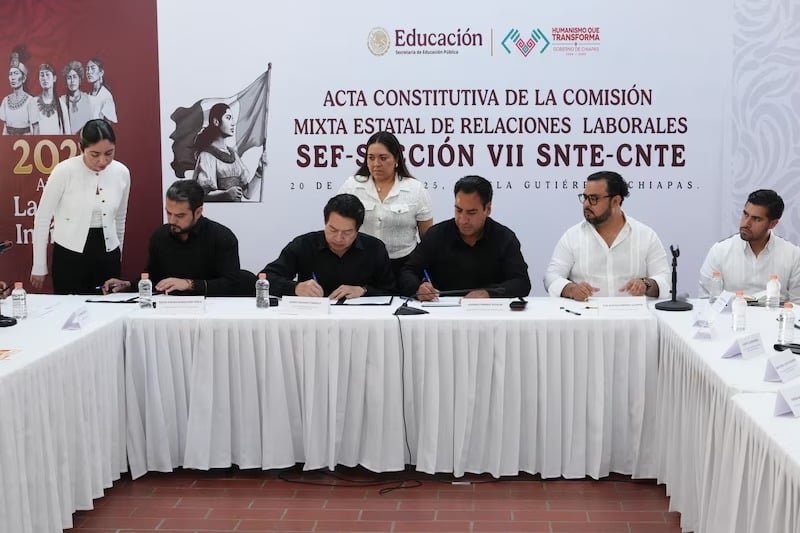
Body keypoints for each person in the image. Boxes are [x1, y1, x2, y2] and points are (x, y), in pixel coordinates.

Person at [30, 119, 129, 294]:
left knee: (108, 307)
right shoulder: (64, 171)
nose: (102, 161)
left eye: (109, 153)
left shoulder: (121, 172)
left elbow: (120, 219)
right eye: (94, 154)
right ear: (81, 148)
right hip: (69, 256)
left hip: (108, 256)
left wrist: (118, 255)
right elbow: (43, 218)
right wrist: (39, 265)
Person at [103, 179, 248, 296]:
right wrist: (128, 285)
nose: (172, 220)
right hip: (168, 308)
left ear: (198, 212)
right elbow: (154, 277)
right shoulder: (160, 236)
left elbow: (231, 284)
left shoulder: (222, 237)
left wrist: (189, 284)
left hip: (211, 309)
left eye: (180, 215)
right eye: (169, 213)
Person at [398, 175, 531, 300]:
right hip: (443, 310)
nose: (462, 219)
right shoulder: (437, 235)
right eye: (459, 210)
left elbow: (521, 282)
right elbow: (407, 272)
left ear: (488, 209)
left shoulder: (504, 238)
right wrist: (418, 288)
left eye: (471, 212)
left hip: (490, 311)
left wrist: (488, 293)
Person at [544, 171, 669, 301]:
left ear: (615, 201)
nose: (586, 204)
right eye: (585, 197)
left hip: (634, 312)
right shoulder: (572, 236)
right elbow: (551, 277)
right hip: (584, 312)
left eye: (594, 199)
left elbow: (665, 280)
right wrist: (571, 289)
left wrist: (646, 284)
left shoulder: (646, 236)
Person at [261, 193, 396, 299]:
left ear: (357, 229)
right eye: (333, 230)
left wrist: (363, 291)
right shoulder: (304, 245)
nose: (338, 238)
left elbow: (391, 290)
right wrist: (296, 287)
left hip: (360, 319)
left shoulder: (375, 249)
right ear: (325, 223)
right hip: (312, 317)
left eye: (347, 232)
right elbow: (266, 277)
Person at [338, 131, 432, 277]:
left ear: (396, 159)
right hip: (361, 264)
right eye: (371, 158)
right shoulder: (352, 186)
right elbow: (338, 223)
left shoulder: (415, 189)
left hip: (404, 266)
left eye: (383, 158)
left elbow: (427, 238)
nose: (376, 164)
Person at [699, 189, 800, 302]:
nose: (746, 223)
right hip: (730, 313)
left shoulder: (793, 256)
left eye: (756, 219)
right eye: (745, 214)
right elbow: (706, 301)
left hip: (774, 313)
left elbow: (797, 304)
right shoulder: (719, 251)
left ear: (773, 224)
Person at [192, 102, 266, 202]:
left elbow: (247, 194)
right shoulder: (207, 155)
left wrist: (259, 171)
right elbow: (201, 194)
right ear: (216, 122)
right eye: (228, 118)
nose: (233, 123)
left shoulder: (233, 154)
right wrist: (225, 194)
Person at [0, 46, 39, 135]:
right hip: (9, 141)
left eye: (16, 73)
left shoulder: (30, 101)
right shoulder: (5, 101)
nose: (13, 78)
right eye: (11, 74)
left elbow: (36, 128)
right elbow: (5, 128)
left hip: (25, 141)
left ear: (23, 78)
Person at [60, 60, 93, 134]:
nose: (72, 81)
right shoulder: (61, 101)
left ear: (80, 79)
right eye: (69, 78)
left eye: (75, 77)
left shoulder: (88, 99)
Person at [36, 63, 69, 134]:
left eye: (47, 75)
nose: (44, 78)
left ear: (54, 78)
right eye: (42, 75)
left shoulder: (62, 105)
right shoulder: (33, 103)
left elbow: (67, 133)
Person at [86, 57, 117, 123]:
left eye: (92, 68)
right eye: (87, 69)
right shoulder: (87, 94)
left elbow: (107, 125)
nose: (89, 72)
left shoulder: (105, 95)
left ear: (101, 73)